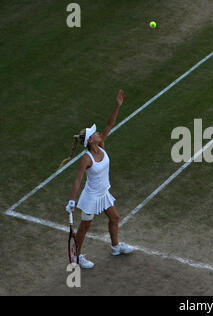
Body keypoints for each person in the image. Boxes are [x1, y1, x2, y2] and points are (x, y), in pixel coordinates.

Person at [60, 89, 133, 269]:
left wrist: (117, 105)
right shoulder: (86, 158)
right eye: (94, 133)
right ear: (90, 141)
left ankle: (115, 247)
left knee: (115, 218)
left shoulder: (100, 145)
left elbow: (109, 125)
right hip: (91, 197)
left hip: (103, 192)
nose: (98, 132)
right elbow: (78, 180)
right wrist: (71, 200)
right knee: (85, 226)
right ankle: (76, 256)